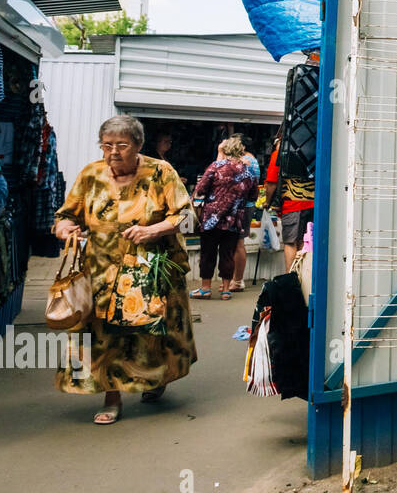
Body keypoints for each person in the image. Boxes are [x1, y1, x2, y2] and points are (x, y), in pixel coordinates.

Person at [52, 115, 198, 425]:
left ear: (138, 146)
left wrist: (152, 230)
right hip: (100, 269)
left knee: (151, 333)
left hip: (149, 269)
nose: (113, 152)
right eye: (106, 146)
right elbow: (66, 215)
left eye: (122, 145)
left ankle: (156, 378)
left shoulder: (160, 172)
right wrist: (64, 228)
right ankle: (112, 396)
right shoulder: (91, 174)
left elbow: (186, 218)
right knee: (105, 336)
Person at [192, 136, 256, 301]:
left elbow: (200, 189)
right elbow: (253, 195)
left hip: (212, 218)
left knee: (208, 254)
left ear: (225, 150)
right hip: (235, 220)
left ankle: (205, 288)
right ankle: (226, 290)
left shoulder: (216, 166)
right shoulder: (248, 172)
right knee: (228, 254)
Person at [264, 129, 313, 272]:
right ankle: (304, 278)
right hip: (314, 204)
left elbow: (271, 183)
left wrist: (267, 202)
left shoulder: (281, 154)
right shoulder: (312, 151)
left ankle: (291, 278)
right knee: (307, 242)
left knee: (291, 242)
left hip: (293, 203)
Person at [222, 133, 261, 292]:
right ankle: (234, 279)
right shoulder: (251, 160)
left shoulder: (247, 161)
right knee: (236, 243)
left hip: (242, 205)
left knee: (238, 243)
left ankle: (237, 281)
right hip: (246, 204)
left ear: (241, 146)